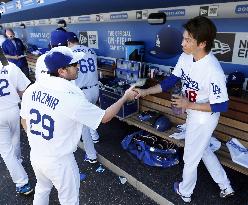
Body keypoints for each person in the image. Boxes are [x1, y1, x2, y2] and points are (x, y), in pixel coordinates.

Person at [134, 16, 234, 203]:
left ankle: (185, 192)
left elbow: (222, 105)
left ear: (202, 43)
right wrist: (145, 91)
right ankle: (225, 185)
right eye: (183, 38)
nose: (182, 43)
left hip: (204, 117)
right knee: (202, 150)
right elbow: (170, 81)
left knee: (190, 157)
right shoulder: (186, 56)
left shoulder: (213, 69)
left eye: (188, 40)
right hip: (193, 112)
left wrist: (188, 105)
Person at [20, 46, 137, 205]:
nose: (78, 67)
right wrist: (124, 98)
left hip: (37, 154)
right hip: (60, 162)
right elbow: (105, 118)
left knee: (42, 189)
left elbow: (24, 120)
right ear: (62, 71)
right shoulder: (70, 98)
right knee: (69, 201)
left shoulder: (32, 89)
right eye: (74, 65)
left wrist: (37, 141)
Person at [0, 58, 33, 195]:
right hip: (13, 109)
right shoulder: (10, 66)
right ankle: (18, 162)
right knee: (15, 140)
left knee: (6, 151)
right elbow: (24, 90)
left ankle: (22, 183)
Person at [67, 31, 99, 163]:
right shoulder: (90, 50)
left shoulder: (69, 53)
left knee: (83, 127)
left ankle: (91, 156)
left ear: (68, 42)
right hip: (95, 89)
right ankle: (95, 135)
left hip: (82, 92)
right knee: (91, 114)